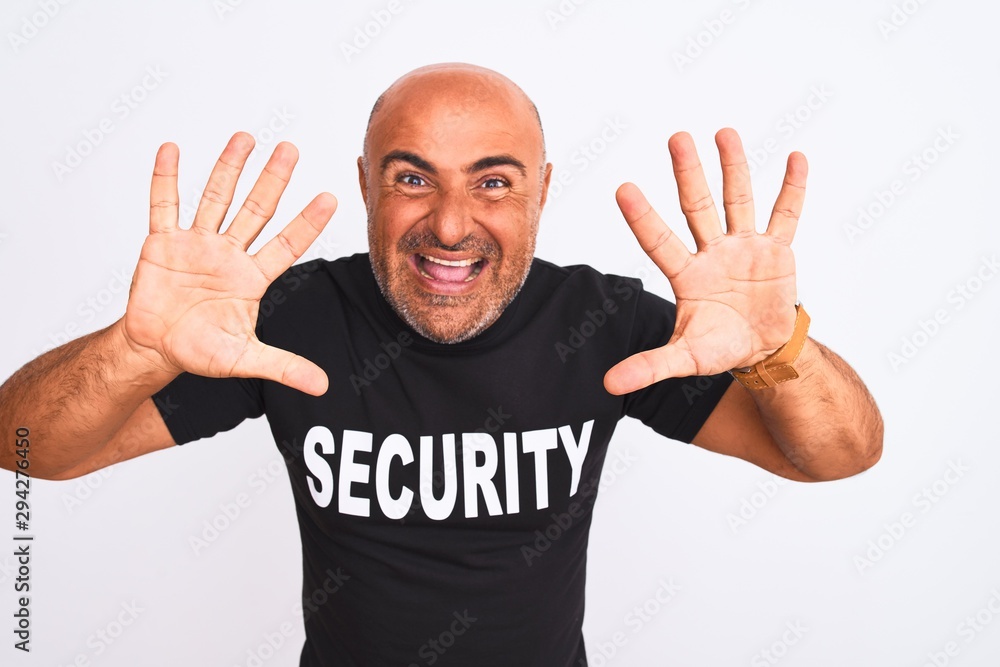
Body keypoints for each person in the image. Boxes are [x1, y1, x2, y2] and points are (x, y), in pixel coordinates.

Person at [0, 63, 882, 666]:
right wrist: (137, 346)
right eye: (413, 178)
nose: (452, 224)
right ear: (367, 186)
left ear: (541, 189)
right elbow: (32, 446)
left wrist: (781, 348)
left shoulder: (602, 323)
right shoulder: (288, 319)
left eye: (493, 181)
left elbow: (837, 453)